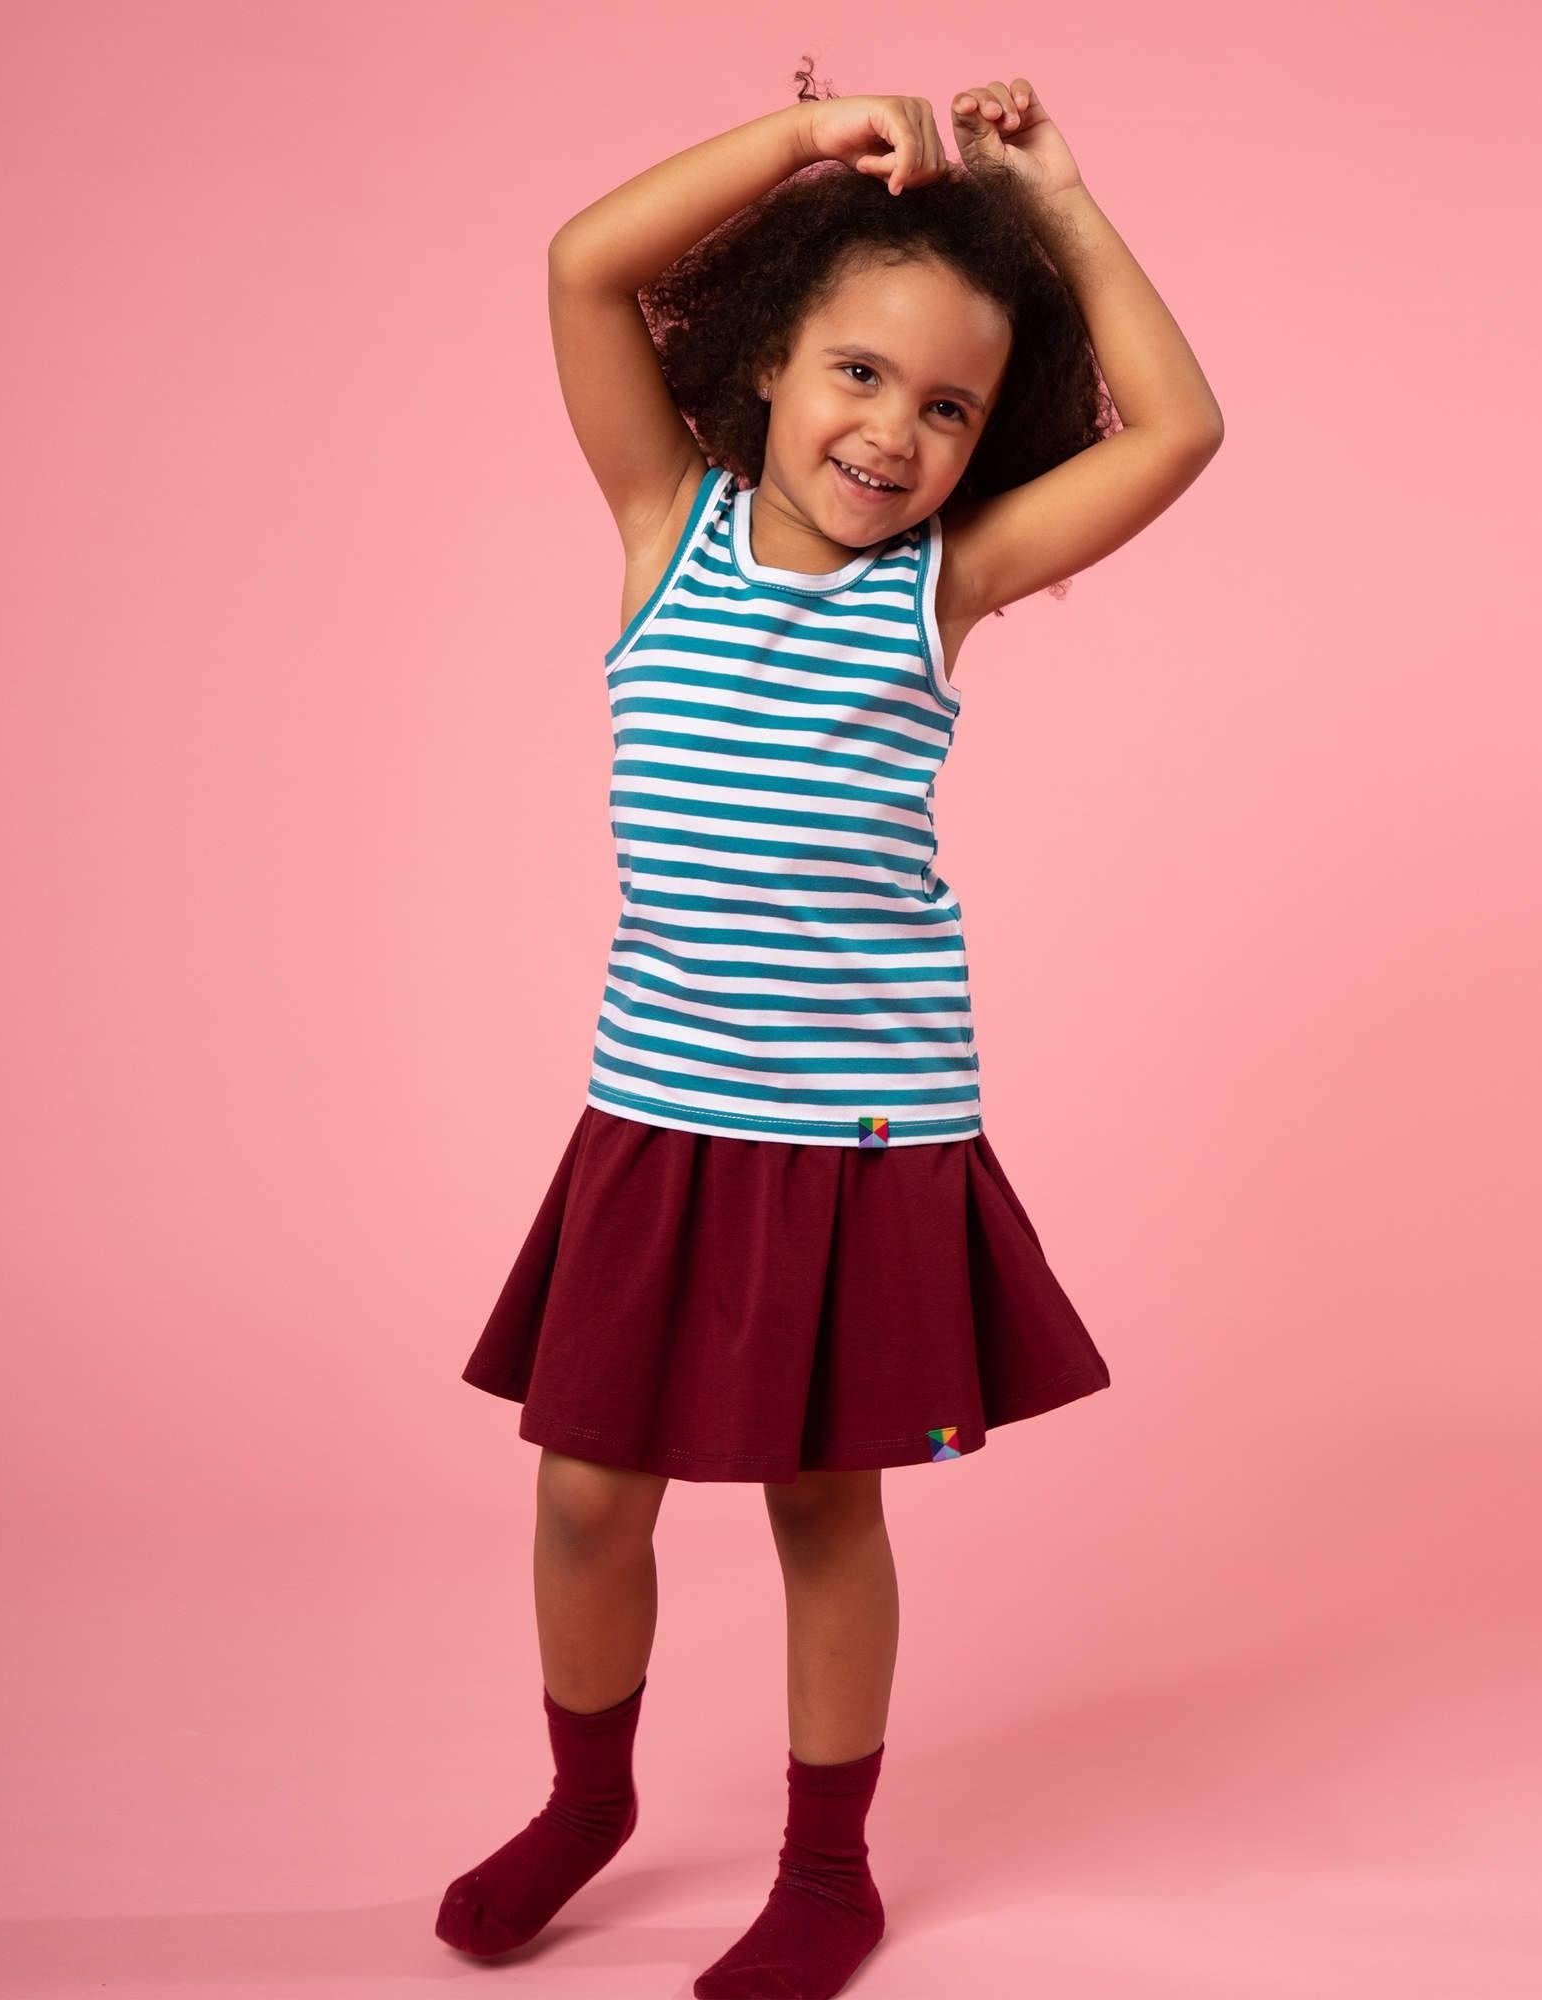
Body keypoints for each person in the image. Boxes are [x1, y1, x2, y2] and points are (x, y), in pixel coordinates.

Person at [437, 67, 1224, 2000]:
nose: (898, 430)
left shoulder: (941, 591)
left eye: (949, 405)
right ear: (774, 364)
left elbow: (1185, 427)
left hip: (866, 1129)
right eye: (861, 374)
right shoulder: (660, 530)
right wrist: (798, 141)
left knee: (822, 1497)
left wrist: (1057, 197)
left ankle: (824, 1868)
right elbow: (579, 267)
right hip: (659, 1110)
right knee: (585, 1490)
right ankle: (589, 1796)